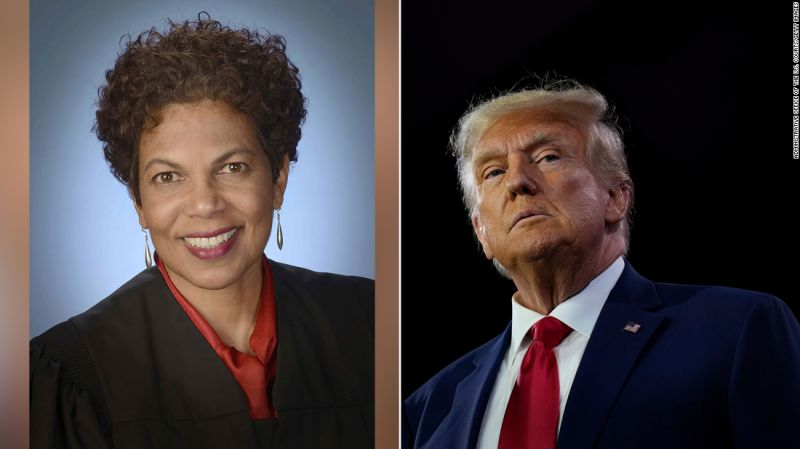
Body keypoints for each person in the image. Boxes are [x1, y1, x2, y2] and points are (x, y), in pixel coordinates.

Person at [30, 15, 374, 449]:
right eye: (168, 177)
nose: (205, 203)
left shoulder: (371, 323)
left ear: (278, 180)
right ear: (139, 203)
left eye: (232, 167)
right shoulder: (72, 373)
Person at [402, 81, 800, 449]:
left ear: (615, 197)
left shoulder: (733, 331)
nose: (517, 182)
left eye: (547, 156)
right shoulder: (429, 407)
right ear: (482, 233)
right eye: (494, 171)